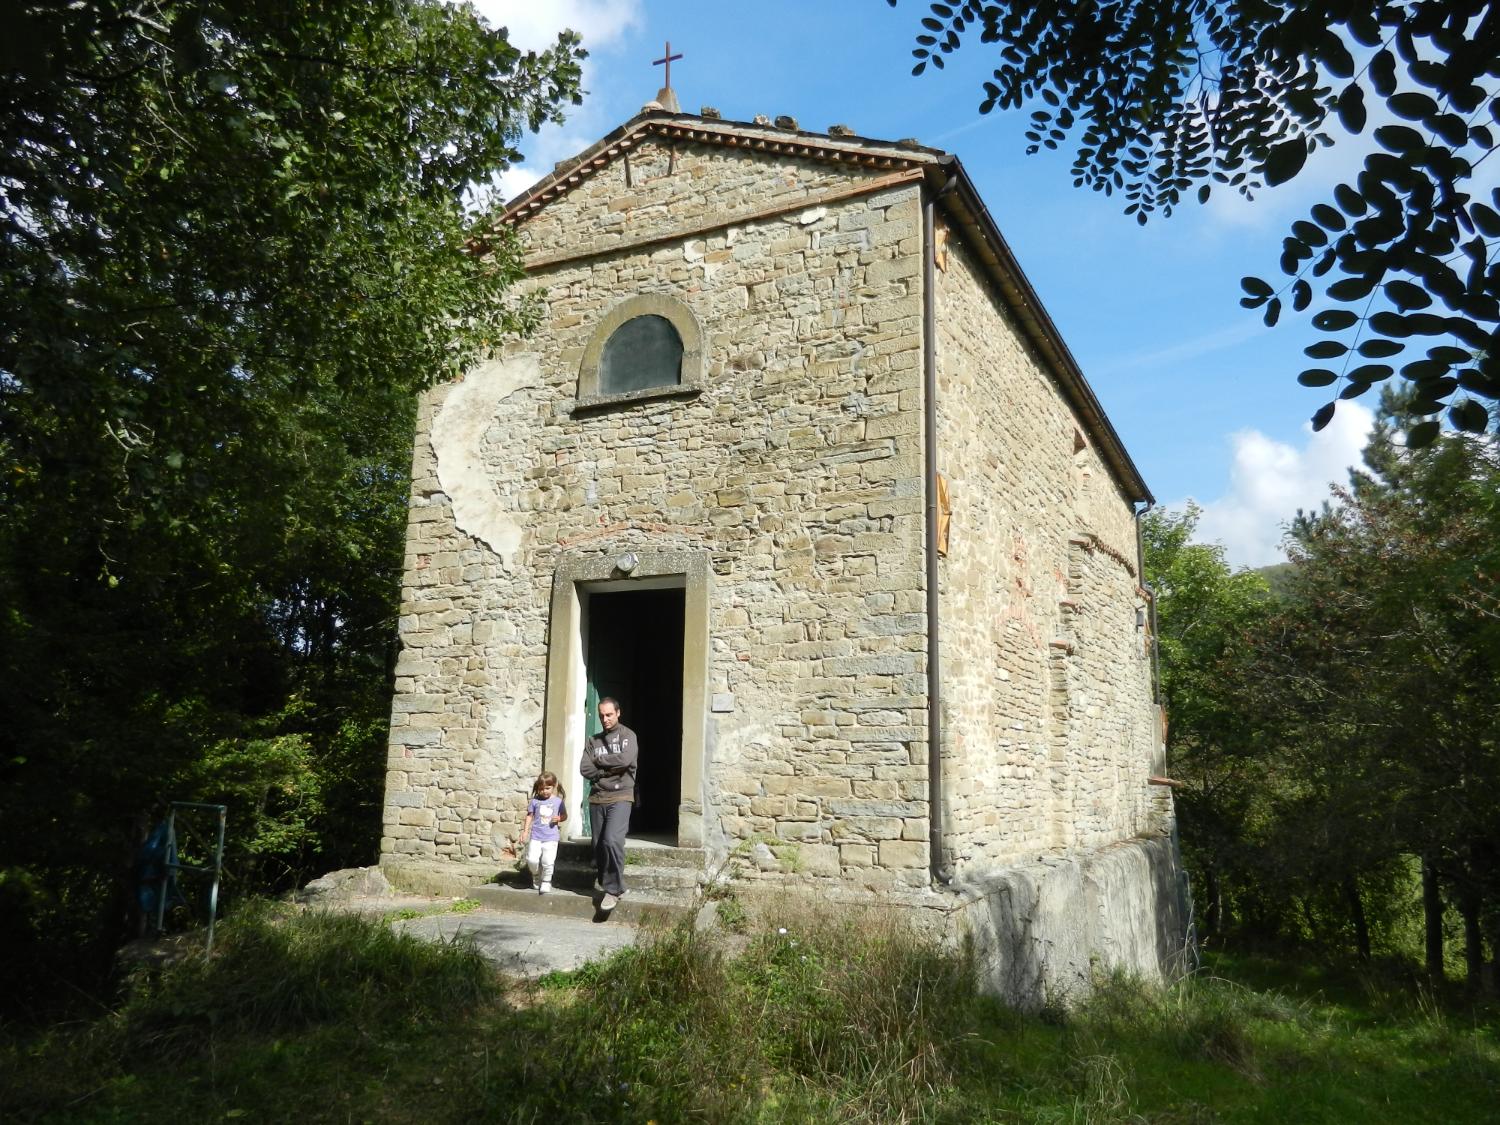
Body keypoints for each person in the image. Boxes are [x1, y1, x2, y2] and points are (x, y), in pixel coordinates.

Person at [579, 696, 637, 911]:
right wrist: (607, 769)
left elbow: (624, 760)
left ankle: (612, 891)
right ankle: (614, 886)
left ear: (618, 713)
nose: (605, 719)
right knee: (598, 846)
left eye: (609, 715)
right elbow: (585, 768)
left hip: (621, 796)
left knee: (612, 840)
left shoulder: (628, 736)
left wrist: (599, 763)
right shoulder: (593, 741)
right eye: (602, 715)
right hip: (597, 798)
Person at [520, 771, 567, 894]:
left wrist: (559, 818)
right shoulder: (535, 801)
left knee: (548, 861)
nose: (544, 791)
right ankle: (536, 875)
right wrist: (525, 832)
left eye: (548, 788)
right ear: (538, 788)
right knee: (532, 860)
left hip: (551, 837)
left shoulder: (558, 801)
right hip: (536, 836)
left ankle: (546, 881)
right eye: (541, 789)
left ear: (553, 787)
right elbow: (530, 816)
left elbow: (564, 815)